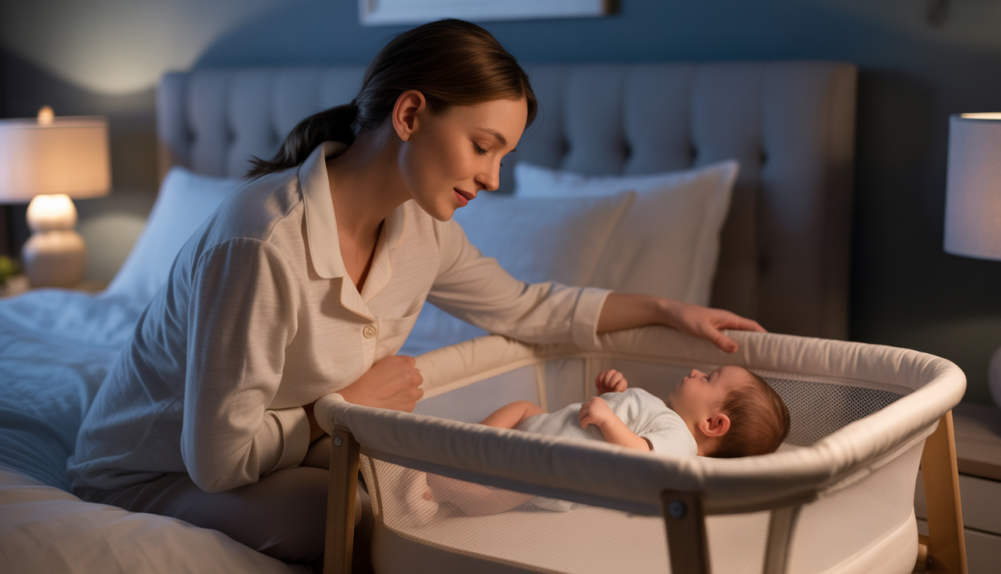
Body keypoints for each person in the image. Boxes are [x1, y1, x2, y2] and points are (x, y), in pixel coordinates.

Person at [66, 19, 765, 566]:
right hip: (155, 470)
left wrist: (667, 308)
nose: (492, 178)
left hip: (280, 440)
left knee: (396, 492)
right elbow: (216, 462)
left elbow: (528, 307)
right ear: (409, 116)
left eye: (503, 156)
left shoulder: (421, 229)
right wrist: (337, 413)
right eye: (482, 146)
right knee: (356, 516)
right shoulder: (262, 241)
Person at [403, 366, 790, 520]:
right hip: (548, 432)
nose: (695, 371)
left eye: (708, 378)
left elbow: (641, 457)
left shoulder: (680, 443)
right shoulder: (665, 418)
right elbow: (630, 427)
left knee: (502, 494)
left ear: (713, 424)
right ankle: (465, 445)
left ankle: (440, 491)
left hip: (550, 470)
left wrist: (608, 419)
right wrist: (612, 397)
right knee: (523, 407)